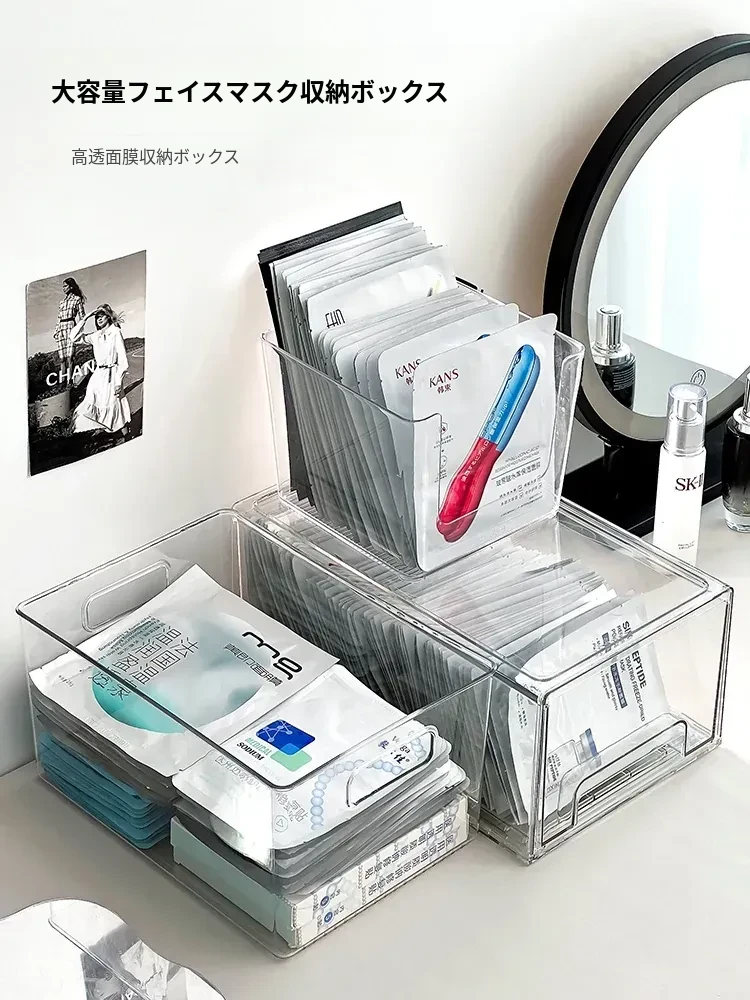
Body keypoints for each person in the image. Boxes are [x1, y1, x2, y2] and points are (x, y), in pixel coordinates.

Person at [69, 304, 131, 436]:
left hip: (111, 375)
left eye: (102, 316)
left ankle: (127, 436)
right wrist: (85, 318)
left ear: (108, 316)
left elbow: (122, 359)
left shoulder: (115, 332)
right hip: (98, 375)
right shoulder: (95, 336)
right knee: (93, 402)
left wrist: (118, 381)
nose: (99, 319)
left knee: (115, 405)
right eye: (97, 317)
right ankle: (102, 429)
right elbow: (73, 338)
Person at [54, 277, 86, 378]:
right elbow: (59, 318)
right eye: (63, 286)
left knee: (70, 357)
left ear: (71, 287)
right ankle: (63, 381)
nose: (63, 288)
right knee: (62, 358)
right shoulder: (62, 302)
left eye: (65, 286)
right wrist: (56, 331)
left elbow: (82, 316)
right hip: (61, 328)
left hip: (71, 326)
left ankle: (70, 381)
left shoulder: (77, 299)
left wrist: (79, 330)